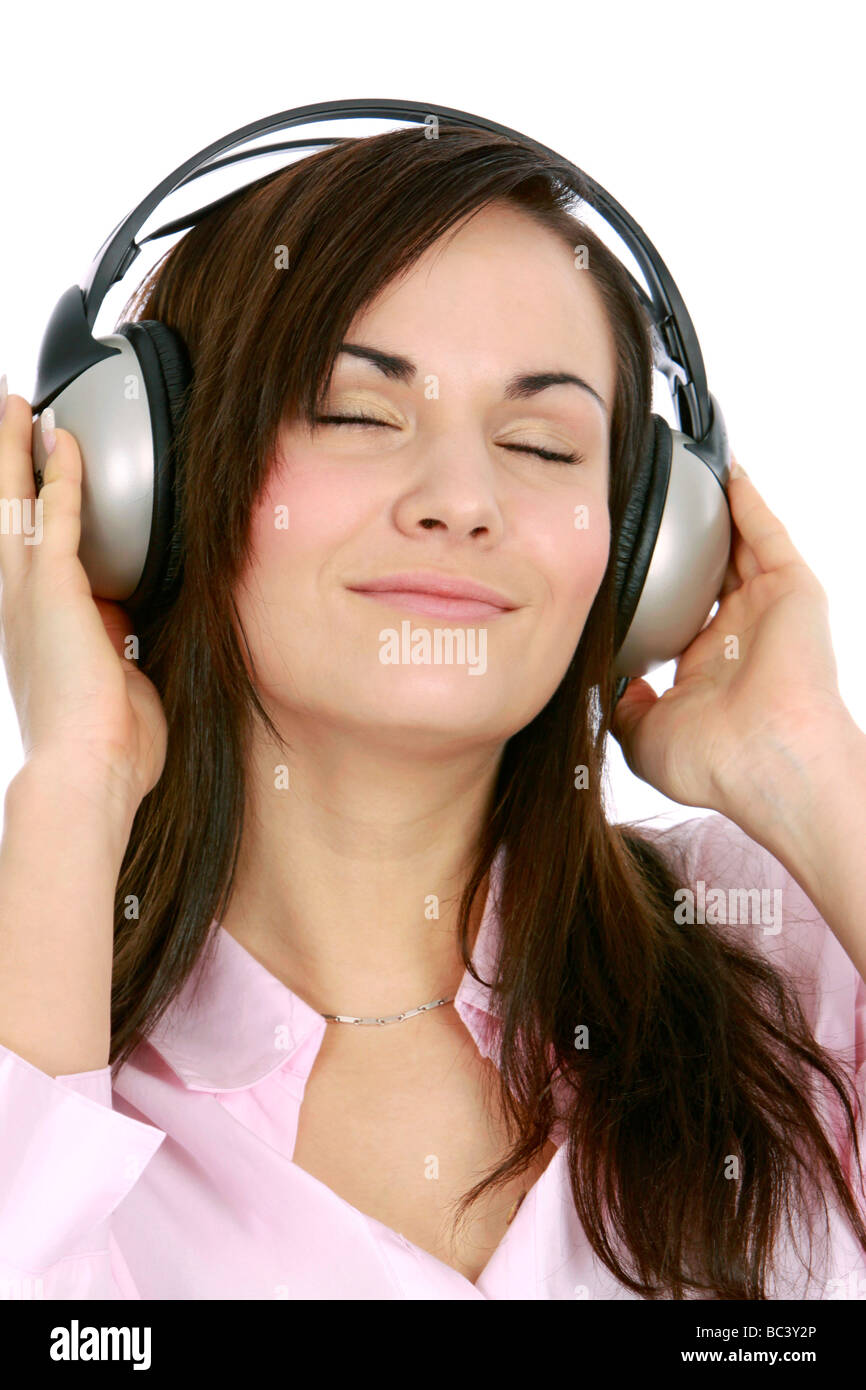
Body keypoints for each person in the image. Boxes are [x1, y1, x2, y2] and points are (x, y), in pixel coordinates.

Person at [0, 123, 864, 1300]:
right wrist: (73, 791)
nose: (461, 501)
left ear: (644, 557)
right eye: (358, 414)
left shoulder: (786, 953)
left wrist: (810, 770)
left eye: (538, 442)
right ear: (153, 479)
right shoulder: (37, 1035)